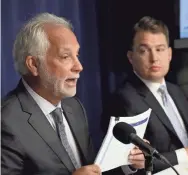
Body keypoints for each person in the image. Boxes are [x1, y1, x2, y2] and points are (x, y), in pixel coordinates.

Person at [1, 13, 144, 175]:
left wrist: (128, 163)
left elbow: (92, 170)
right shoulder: (6, 122)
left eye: (77, 55)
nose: (79, 66)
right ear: (34, 64)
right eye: (65, 56)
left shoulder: (74, 106)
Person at [101, 16, 188, 173]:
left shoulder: (175, 91)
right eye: (144, 51)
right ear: (131, 57)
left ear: (170, 54)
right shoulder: (124, 99)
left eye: (160, 49)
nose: (154, 58)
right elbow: (135, 165)